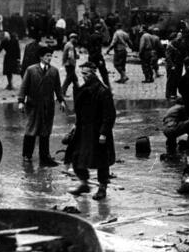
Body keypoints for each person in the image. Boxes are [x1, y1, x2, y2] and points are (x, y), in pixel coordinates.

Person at [67, 61, 116, 200]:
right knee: (76, 156)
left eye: (86, 74)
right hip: (84, 129)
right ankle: (84, 183)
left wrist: (104, 133)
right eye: (82, 74)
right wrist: (76, 124)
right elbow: (81, 111)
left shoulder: (102, 90)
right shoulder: (84, 88)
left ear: (94, 73)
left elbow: (110, 114)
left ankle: (102, 187)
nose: (84, 76)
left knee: (102, 160)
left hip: (98, 131)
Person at [18, 47, 66, 166]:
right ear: (41, 57)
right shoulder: (31, 70)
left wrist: (61, 100)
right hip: (33, 104)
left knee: (45, 131)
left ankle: (45, 157)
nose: (49, 58)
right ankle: (27, 155)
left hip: (48, 105)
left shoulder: (54, 71)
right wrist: (21, 101)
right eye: (47, 56)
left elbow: (57, 88)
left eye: (50, 56)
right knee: (31, 129)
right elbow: (23, 87)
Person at [61, 33, 80, 97]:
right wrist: (73, 64)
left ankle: (79, 90)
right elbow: (71, 56)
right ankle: (62, 92)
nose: (76, 41)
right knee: (69, 79)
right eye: (75, 39)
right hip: (70, 65)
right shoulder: (71, 46)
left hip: (67, 64)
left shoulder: (68, 44)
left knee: (74, 79)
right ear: (73, 39)